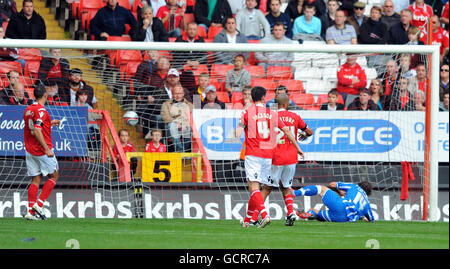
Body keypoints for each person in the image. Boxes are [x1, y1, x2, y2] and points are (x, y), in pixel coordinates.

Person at [235, 86, 304, 228]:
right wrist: (298, 149)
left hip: (253, 154)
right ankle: (248, 220)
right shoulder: (272, 114)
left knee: (253, 187)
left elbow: (237, 134)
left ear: (251, 98)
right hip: (268, 156)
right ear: (263, 98)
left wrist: (242, 127)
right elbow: (287, 131)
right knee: (258, 188)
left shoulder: (247, 112)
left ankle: (264, 215)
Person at [260, 93, 313, 226]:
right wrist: (305, 135)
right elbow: (310, 132)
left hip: (275, 158)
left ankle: (255, 216)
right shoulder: (294, 116)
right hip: (291, 158)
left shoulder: (270, 117)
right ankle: (290, 213)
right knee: (286, 186)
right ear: (286, 103)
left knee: (266, 188)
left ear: (276, 104)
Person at [23, 84, 61, 220]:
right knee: (54, 175)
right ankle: (39, 204)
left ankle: (30, 212)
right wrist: (46, 149)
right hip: (41, 151)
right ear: (45, 95)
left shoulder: (28, 109)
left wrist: (50, 123)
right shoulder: (41, 111)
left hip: (30, 150)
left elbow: (33, 128)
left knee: (36, 179)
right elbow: (38, 131)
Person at [292, 181, 375, 223]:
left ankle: (294, 193)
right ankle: (310, 214)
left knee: (322, 189)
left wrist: (339, 191)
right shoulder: (367, 203)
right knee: (315, 212)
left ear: (360, 185)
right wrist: (363, 218)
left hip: (341, 205)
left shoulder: (355, 187)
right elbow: (371, 219)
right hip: (342, 219)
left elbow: (332, 184)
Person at [161, 85, 193, 152]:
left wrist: (183, 124)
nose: (178, 96)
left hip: (185, 125)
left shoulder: (190, 105)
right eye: (176, 93)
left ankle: (186, 150)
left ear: (183, 94)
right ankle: (180, 151)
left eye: (180, 93)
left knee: (188, 128)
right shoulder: (166, 104)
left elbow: (192, 117)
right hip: (170, 127)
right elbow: (165, 117)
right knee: (172, 126)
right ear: (172, 94)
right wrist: (177, 124)